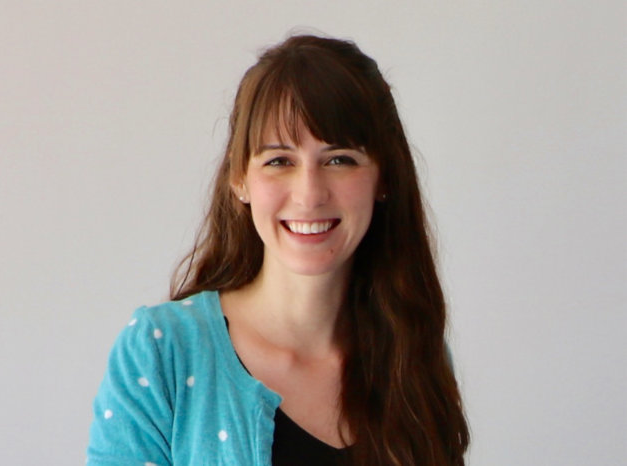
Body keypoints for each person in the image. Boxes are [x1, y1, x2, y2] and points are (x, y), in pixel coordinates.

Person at [87, 34, 469, 465]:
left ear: (384, 178)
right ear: (239, 179)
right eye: (279, 161)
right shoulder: (162, 353)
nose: (309, 194)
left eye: (340, 159)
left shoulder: (415, 351)